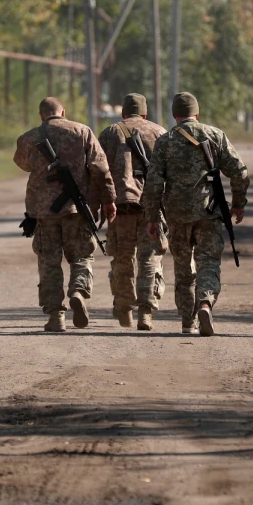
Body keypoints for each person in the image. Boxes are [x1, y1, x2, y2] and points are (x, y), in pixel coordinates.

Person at [143, 92, 249, 336]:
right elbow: (240, 173)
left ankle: (187, 322)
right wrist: (238, 204)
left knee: (183, 268)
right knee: (208, 262)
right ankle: (205, 303)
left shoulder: (165, 141)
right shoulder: (215, 135)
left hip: (176, 216)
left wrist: (151, 217)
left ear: (174, 115)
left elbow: (153, 184)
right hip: (208, 212)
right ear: (197, 113)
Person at [14, 97, 116, 332]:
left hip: (43, 212)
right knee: (81, 256)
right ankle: (78, 291)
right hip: (77, 210)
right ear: (63, 111)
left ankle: (55, 316)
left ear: (41, 116)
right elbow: (100, 168)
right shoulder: (82, 131)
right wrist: (108, 199)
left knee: (49, 263)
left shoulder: (29, 137)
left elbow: (23, 163)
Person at [97, 93, 167, 331]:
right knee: (149, 258)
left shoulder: (109, 133)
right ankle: (145, 313)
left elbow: (98, 170)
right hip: (151, 207)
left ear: (123, 113)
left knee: (122, 258)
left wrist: (102, 202)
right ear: (145, 114)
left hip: (120, 206)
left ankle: (125, 308)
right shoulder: (159, 132)